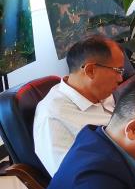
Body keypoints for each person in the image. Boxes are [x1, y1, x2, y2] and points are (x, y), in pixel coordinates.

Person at [33, 35, 125, 176]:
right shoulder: (53, 117)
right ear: (90, 70)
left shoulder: (101, 92)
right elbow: (70, 178)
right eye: (118, 70)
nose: (120, 78)